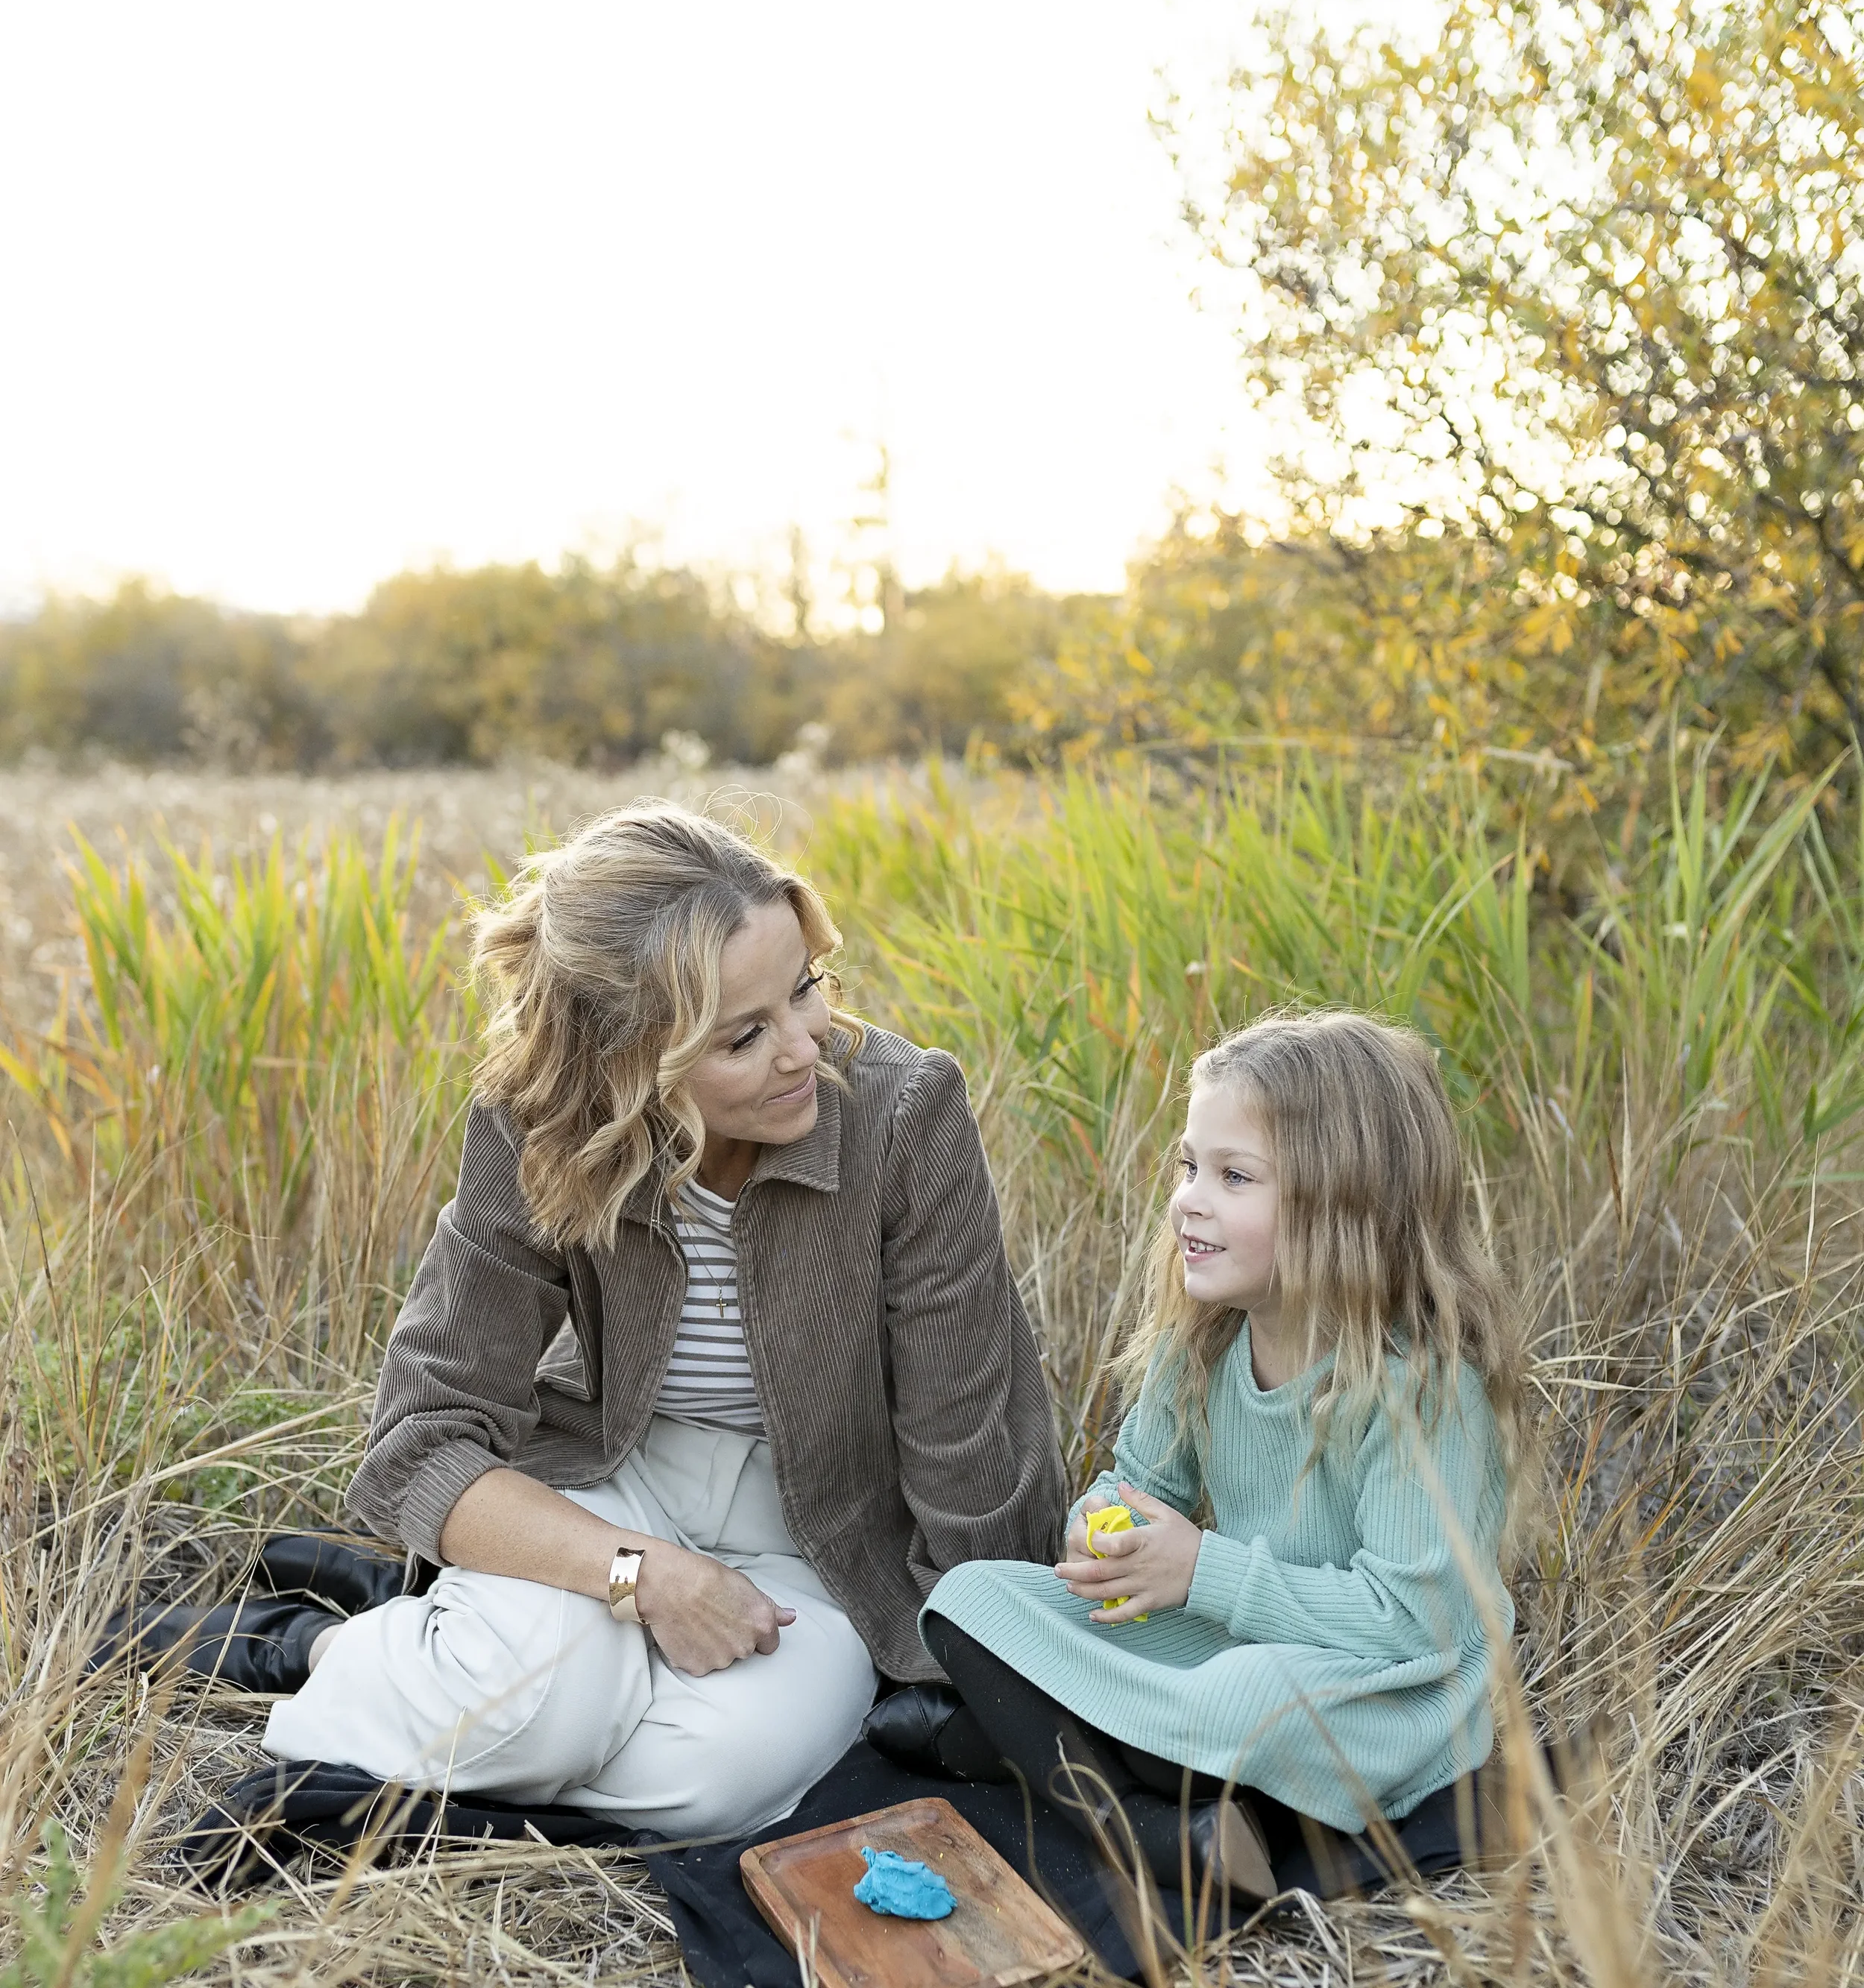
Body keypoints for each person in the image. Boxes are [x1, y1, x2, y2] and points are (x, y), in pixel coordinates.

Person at [259, 801, 1067, 1841]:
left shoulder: (907, 1114)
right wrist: (641, 1578)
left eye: (805, 987)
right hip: (616, 1481)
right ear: (631, 1060)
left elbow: (964, 1435)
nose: (804, 1047)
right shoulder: (539, 1122)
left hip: (822, 1526)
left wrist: (993, 1663)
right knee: (540, 1718)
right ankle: (343, 1653)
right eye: (744, 1034)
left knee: (711, 1782)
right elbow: (426, 1435)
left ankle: (460, 1686)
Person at [900, 1009, 1525, 1902]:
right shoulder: (1200, 1343)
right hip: (1242, 1635)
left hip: (1391, 1693)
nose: (1189, 1197)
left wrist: (1201, 1573)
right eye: (1189, 1165)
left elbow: (1408, 1621)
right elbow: (1135, 1483)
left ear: (1344, 1205)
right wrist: (1099, 1535)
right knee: (973, 1601)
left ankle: (1100, 1797)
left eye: (1234, 1176)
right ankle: (1168, 1809)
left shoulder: (1417, 1390)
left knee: (1242, 1697)